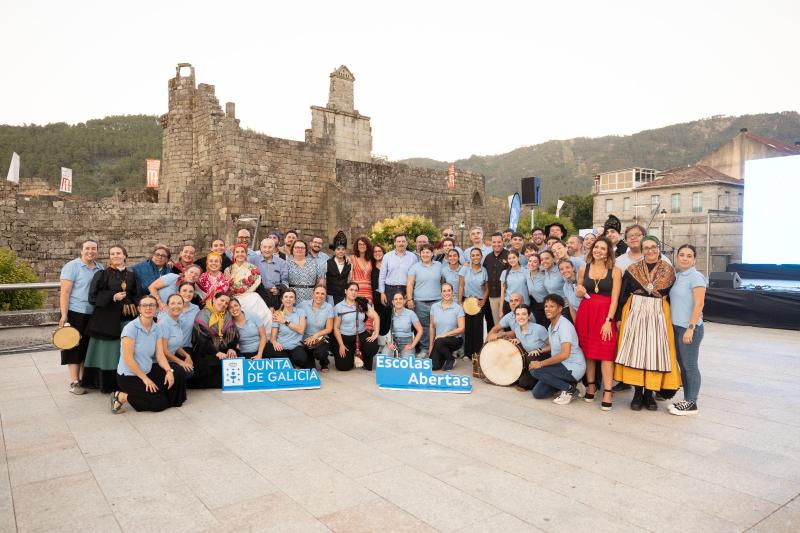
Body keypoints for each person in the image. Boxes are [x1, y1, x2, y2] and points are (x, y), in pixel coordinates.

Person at [614, 235, 680, 411]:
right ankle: (637, 393)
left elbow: (674, 297)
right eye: (646, 248)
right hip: (635, 311)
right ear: (642, 250)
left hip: (658, 313)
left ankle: (649, 394)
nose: (650, 250)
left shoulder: (669, 270)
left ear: (659, 249)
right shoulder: (632, 269)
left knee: (654, 353)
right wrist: (619, 317)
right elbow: (623, 294)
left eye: (653, 247)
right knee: (636, 352)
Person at [111, 295, 187, 414]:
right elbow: (128, 359)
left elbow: (160, 355)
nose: (148, 308)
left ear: (157, 308)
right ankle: (121, 396)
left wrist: (168, 371)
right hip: (130, 375)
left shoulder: (157, 328)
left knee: (177, 371)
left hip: (148, 370)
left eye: (152, 305)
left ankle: (162, 396)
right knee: (159, 404)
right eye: (145, 305)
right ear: (139, 309)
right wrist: (145, 379)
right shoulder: (130, 328)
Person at [574, 237, 622, 411]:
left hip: (604, 315)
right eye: (596, 247)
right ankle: (591, 386)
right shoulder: (583, 268)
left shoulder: (615, 271)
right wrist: (579, 291)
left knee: (606, 353)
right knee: (588, 352)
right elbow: (579, 292)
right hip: (586, 313)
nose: (598, 250)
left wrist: (609, 320)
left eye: (602, 248)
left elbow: (615, 299)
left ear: (608, 252)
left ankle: (608, 391)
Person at [83, 245, 138, 393]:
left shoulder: (132, 275)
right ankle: (107, 383)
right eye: (112, 254)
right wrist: (113, 296)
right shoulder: (102, 274)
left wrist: (133, 304)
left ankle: (126, 380)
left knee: (127, 351)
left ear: (125, 255)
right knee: (109, 352)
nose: (115, 256)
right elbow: (92, 297)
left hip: (127, 319)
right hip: (107, 321)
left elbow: (136, 294)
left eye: (118, 253)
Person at [59, 239, 104, 394]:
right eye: (87, 248)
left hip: (93, 313)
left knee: (87, 347)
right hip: (75, 312)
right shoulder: (72, 266)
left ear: (97, 251)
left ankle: (84, 379)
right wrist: (64, 315)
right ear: (81, 250)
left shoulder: (100, 268)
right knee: (73, 346)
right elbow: (65, 292)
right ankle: (74, 382)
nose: (90, 251)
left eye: (93, 248)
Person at [668, 244, 707, 416]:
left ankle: (692, 402)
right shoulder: (678, 276)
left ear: (694, 260)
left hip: (689, 328)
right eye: (681, 255)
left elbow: (699, 304)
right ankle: (687, 400)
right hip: (677, 327)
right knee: (683, 365)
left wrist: (690, 328)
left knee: (690, 366)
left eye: (689, 256)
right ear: (677, 258)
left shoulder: (696, 277)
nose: (684, 258)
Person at [530, 294, 586, 404]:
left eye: (552, 306)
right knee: (538, 393)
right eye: (546, 306)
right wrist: (539, 350)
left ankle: (569, 389)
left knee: (535, 370)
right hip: (560, 366)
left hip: (572, 367)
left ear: (560, 309)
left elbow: (565, 354)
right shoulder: (551, 326)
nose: (548, 309)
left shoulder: (564, 325)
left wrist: (540, 364)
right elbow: (554, 346)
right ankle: (573, 385)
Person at [189, 293, 238, 389]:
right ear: (214, 299)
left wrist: (231, 348)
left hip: (223, 347)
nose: (224, 304)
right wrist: (216, 352)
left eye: (226, 303)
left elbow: (232, 333)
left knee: (235, 358)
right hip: (205, 350)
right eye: (222, 300)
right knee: (212, 364)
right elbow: (201, 338)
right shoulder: (203, 315)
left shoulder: (227, 315)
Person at [333, 282, 380, 371]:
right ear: (346, 291)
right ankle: (352, 355)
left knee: (372, 347)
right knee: (343, 367)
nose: (353, 292)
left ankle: (364, 357)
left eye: (356, 290)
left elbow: (376, 317)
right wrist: (341, 345)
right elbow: (336, 328)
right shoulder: (339, 307)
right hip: (345, 337)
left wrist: (376, 333)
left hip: (360, 334)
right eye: (351, 290)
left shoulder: (362, 303)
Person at [406, 244, 442, 355]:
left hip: (437, 301)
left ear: (432, 254)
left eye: (427, 252)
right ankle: (425, 349)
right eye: (423, 252)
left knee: (438, 325)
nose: (425, 254)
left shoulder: (439, 265)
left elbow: (444, 280)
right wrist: (409, 299)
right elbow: (410, 283)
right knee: (424, 327)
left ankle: (437, 349)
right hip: (420, 302)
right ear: (420, 254)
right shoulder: (415, 267)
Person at [225, 244, 272, 329]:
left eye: (242, 252)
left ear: (246, 254)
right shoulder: (228, 270)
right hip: (234, 299)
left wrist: (270, 305)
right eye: (237, 252)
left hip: (251, 297)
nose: (240, 254)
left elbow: (260, 288)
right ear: (234, 255)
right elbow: (226, 287)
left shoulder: (253, 269)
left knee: (265, 315)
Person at [508, 305, 550, 390]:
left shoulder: (539, 329)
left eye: (524, 314)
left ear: (529, 316)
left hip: (543, 357)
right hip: (530, 361)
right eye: (518, 314)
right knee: (523, 382)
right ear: (515, 317)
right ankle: (536, 378)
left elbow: (552, 346)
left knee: (530, 357)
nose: (520, 317)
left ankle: (547, 376)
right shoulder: (517, 329)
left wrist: (539, 350)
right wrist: (518, 340)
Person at [160, 282, 200, 366]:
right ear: (178, 293)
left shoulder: (196, 309)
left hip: (184, 348)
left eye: (191, 291)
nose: (187, 294)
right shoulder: (166, 310)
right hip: (169, 348)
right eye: (184, 290)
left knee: (191, 368)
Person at [459, 248, 488, 360]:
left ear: (481, 256)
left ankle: (477, 353)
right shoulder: (464, 269)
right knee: (468, 328)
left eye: (477, 255)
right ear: (470, 257)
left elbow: (487, 288)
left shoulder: (484, 271)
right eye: (473, 255)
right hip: (466, 301)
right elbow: (461, 286)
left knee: (478, 328)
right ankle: (467, 353)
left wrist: (483, 300)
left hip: (478, 302)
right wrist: (460, 302)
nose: (475, 257)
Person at [428, 283, 465, 371]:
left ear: (452, 292)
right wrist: (431, 345)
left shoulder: (458, 308)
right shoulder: (434, 307)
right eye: (444, 291)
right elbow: (432, 326)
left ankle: (451, 358)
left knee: (439, 341)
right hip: (439, 342)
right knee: (433, 366)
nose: (446, 293)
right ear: (441, 293)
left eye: (449, 290)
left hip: (455, 340)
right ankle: (445, 355)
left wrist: (444, 335)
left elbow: (462, 328)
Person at [267, 289, 309, 367]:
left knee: (301, 358)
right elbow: (272, 337)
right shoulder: (277, 314)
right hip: (281, 347)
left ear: (294, 300)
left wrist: (284, 321)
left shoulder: (301, 312)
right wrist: (275, 343)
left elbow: (301, 330)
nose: (288, 299)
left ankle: (288, 363)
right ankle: (290, 363)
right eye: (286, 297)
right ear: (282, 300)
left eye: (291, 297)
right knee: (268, 350)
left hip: (296, 346)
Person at [157, 294, 197, 376]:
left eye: (179, 303)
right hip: (159, 362)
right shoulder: (164, 323)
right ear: (167, 306)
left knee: (191, 367)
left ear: (183, 306)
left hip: (170, 360)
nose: (176, 306)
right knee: (187, 371)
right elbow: (164, 351)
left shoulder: (178, 321)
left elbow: (175, 345)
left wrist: (187, 356)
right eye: (173, 303)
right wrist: (181, 362)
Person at [300, 286, 335, 372]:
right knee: (309, 369)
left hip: (321, 338)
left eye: (322, 294)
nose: (319, 296)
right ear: (313, 294)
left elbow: (329, 328)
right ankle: (310, 356)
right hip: (305, 339)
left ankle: (324, 362)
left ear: (325, 296)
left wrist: (316, 335)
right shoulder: (303, 305)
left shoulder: (329, 307)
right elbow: (290, 310)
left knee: (320, 353)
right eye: (317, 293)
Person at [378, 233, 418, 306]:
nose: (401, 243)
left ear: (406, 243)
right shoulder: (387, 256)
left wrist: (410, 292)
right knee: (391, 312)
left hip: (406, 290)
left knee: (405, 312)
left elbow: (416, 277)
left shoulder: (413, 257)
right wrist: (382, 293)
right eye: (399, 241)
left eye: (403, 241)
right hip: (389, 290)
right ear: (395, 243)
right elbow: (382, 276)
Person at [482, 233, 508, 331]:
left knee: (509, 325)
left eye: (499, 242)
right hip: (493, 296)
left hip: (507, 296)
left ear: (503, 242)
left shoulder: (509, 255)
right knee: (498, 325)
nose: (496, 244)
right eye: (494, 242)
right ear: (491, 243)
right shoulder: (488, 257)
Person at [254, 237, 288, 310]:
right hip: (258, 296)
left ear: (274, 248)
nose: (267, 250)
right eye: (264, 247)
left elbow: (285, 281)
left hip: (275, 297)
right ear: (261, 248)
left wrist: (279, 290)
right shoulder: (254, 261)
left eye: (270, 247)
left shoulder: (282, 262)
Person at [287, 239, 324, 304]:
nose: (300, 249)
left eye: (302, 248)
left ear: (306, 250)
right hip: (292, 298)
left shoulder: (314, 263)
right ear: (292, 249)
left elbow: (320, 281)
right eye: (297, 247)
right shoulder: (286, 263)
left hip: (311, 297)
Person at [371, 244, 392, 340]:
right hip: (374, 297)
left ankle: (385, 341)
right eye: (375, 251)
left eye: (379, 251)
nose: (377, 253)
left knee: (386, 319)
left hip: (386, 296)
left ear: (384, 253)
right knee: (375, 320)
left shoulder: (389, 264)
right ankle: (375, 341)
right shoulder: (370, 265)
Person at [326, 235, 352, 305]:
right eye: (338, 249)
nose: (341, 251)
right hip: (330, 296)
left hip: (344, 297)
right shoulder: (327, 263)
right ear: (334, 250)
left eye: (343, 249)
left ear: (345, 251)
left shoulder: (349, 264)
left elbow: (349, 280)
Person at [351, 237, 374, 307]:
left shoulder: (371, 259)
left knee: (368, 311)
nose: (362, 246)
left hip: (368, 291)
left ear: (367, 246)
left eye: (364, 244)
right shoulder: (352, 258)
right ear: (357, 246)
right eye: (360, 244)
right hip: (356, 290)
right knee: (356, 310)